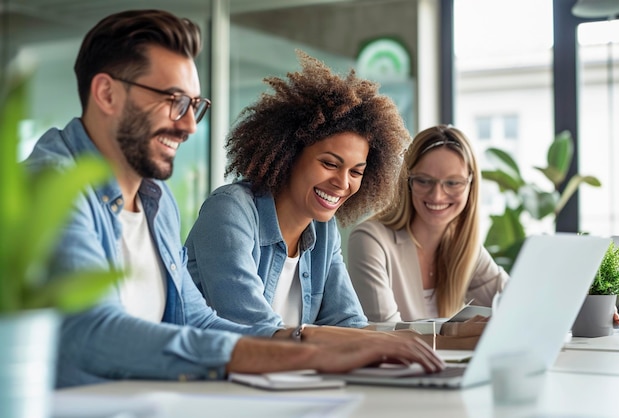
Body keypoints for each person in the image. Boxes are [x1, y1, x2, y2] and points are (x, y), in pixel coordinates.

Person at [23, 9, 444, 388]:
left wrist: (318, 349)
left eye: (194, 106)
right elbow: (96, 332)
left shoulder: (156, 200)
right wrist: (310, 351)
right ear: (107, 94)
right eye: (174, 102)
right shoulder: (50, 186)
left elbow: (199, 321)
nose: (189, 125)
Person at [185, 50, 409, 335]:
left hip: (285, 377)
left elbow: (349, 324)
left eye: (356, 172)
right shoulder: (230, 211)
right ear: (289, 154)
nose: (342, 183)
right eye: (329, 163)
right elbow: (253, 328)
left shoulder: (323, 230)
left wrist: (430, 339)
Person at [348, 124, 509, 323]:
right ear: (408, 181)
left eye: (452, 183)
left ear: (471, 185)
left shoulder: (464, 247)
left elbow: (516, 306)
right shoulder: (370, 240)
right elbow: (387, 333)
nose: (437, 195)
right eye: (424, 181)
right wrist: (458, 333)